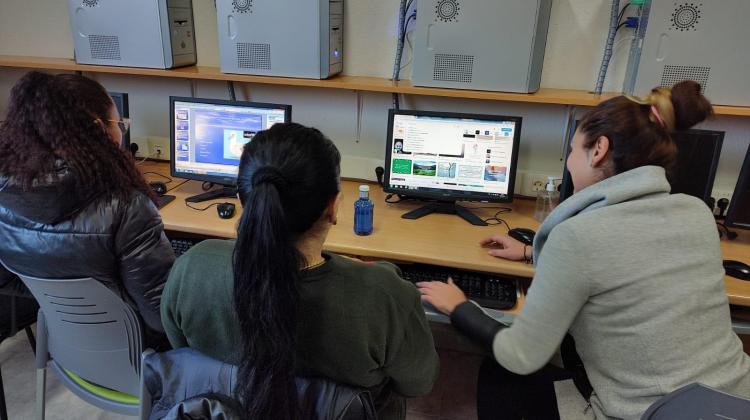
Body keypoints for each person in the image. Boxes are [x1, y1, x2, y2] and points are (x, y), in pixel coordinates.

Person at [418, 80, 750, 419]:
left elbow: (520, 355)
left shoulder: (577, 236)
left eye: (574, 150)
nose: (570, 162)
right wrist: (533, 253)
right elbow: (630, 260)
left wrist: (460, 308)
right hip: (732, 403)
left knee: (500, 372)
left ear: (599, 149)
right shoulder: (696, 212)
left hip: (643, 413)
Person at [161, 122, 439, 419]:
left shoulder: (192, 266)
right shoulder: (385, 296)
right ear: (333, 208)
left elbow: (183, 348)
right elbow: (417, 383)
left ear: (244, 201)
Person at [0, 71, 174, 349]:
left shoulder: (6, 196)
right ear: (97, 127)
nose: (121, 132)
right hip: (136, 355)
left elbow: (11, 282)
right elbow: (161, 318)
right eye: (119, 124)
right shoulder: (127, 208)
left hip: (68, 353)